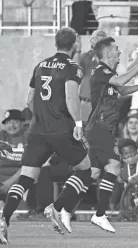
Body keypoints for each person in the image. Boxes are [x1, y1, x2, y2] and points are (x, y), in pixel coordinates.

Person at [0, 27, 93, 244]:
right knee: (86, 169)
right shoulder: (73, 67)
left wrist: (42, 117)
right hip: (61, 130)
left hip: (37, 131)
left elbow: (29, 100)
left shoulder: (40, 65)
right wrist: (78, 123)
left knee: (26, 178)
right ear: (76, 43)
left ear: (56, 43)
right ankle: (57, 207)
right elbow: (71, 98)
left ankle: (4, 220)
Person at [85, 36, 138, 233]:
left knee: (92, 172)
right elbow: (122, 80)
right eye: (116, 49)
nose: (119, 52)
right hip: (99, 126)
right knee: (114, 165)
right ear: (108, 53)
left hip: (102, 128)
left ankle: (60, 207)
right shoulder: (102, 70)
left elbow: (124, 88)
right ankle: (100, 214)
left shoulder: (109, 73)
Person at [73, 30, 107, 124]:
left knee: (101, 131)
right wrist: (78, 50)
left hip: (102, 104)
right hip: (86, 103)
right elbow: (75, 69)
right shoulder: (84, 56)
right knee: (83, 131)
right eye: (96, 39)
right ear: (91, 41)